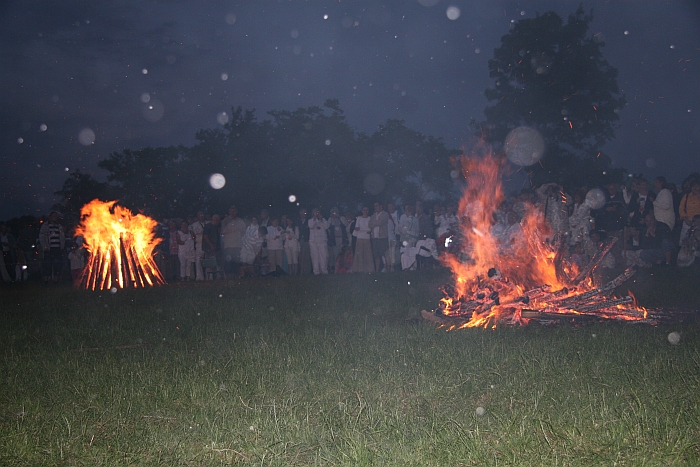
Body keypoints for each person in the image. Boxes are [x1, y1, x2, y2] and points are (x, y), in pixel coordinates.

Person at [39, 211, 66, 284]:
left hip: (57, 248)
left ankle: (56, 280)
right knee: (47, 264)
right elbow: (42, 237)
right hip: (49, 248)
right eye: (53, 216)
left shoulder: (59, 226)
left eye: (56, 216)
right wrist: (45, 247)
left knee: (57, 264)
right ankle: (46, 280)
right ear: (50, 217)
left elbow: (62, 237)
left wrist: (62, 246)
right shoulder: (45, 226)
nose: (55, 218)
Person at [221, 205, 246, 276]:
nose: (233, 213)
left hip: (238, 244)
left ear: (236, 212)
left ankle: (236, 274)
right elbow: (222, 231)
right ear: (229, 212)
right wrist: (232, 230)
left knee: (237, 260)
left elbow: (244, 231)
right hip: (229, 245)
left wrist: (241, 231)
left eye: (234, 211)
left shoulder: (240, 221)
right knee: (229, 260)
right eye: (231, 211)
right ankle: (228, 275)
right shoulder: (225, 221)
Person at [368, 201, 390, 272]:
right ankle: (377, 270)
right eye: (374, 206)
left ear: (381, 206)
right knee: (376, 255)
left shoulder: (385, 214)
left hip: (382, 237)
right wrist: (376, 223)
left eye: (377, 206)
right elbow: (369, 224)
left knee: (385, 254)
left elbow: (380, 222)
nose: (375, 207)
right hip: (375, 237)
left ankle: (388, 268)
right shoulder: (373, 215)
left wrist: (374, 223)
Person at [352, 206, 374, 273]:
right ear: (362, 211)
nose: (365, 211)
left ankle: (368, 269)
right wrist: (365, 231)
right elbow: (357, 228)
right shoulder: (359, 218)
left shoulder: (370, 218)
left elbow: (370, 229)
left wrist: (363, 230)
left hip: (367, 238)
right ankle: (359, 269)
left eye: (366, 210)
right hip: (360, 238)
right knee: (360, 254)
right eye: (364, 210)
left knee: (367, 254)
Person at [308, 208, 329, 275]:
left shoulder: (323, 220)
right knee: (315, 257)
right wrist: (314, 219)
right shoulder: (310, 220)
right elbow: (311, 226)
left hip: (322, 241)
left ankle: (324, 270)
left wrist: (321, 219)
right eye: (315, 212)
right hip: (313, 241)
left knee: (324, 256)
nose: (316, 213)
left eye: (317, 212)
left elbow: (326, 226)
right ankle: (316, 272)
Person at [679, 180, 700, 244]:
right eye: (693, 187)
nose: (694, 188)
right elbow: (681, 208)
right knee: (684, 239)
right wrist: (685, 219)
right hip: (688, 220)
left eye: (697, 186)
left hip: (699, 221)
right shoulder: (687, 196)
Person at [189, 211, 206, 281]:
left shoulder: (208, 223)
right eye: (200, 215)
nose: (201, 216)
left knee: (208, 260)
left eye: (202, 215)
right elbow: (192, 234)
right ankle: (199, 277)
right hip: (199, 244)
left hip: (207, 244)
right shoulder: (194, 225)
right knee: (198, 261)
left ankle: (209, 276)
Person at [298, 208, 312, 275]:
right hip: (300, 240)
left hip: (307, 240)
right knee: (301, 256)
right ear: (300, 213)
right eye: (303, 212)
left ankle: (307, 271)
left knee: (307, 256)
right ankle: (301, 271)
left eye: (305, 212)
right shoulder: (298, 221)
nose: (304, 214)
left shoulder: (309, 221)